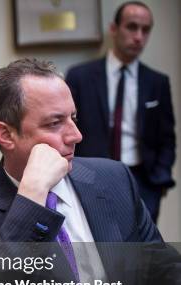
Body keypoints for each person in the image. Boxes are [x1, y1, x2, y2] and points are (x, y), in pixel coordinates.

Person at [0, 58, 176, 285]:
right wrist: (32, 195)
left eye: (73, 118)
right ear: (6, 135)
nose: (76, 135)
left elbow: (165, 274)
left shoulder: (114, 179)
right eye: (54, 123)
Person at [66, 1, 176, 222]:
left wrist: (159, 179)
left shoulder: (157, 82)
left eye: (145, 30)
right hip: (91, 177)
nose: (138, 37)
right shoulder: (80, 76)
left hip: (142, 182)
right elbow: (67, 130)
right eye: (132, 27)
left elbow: (167, 138)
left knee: (141, 251)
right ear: (114, 29)